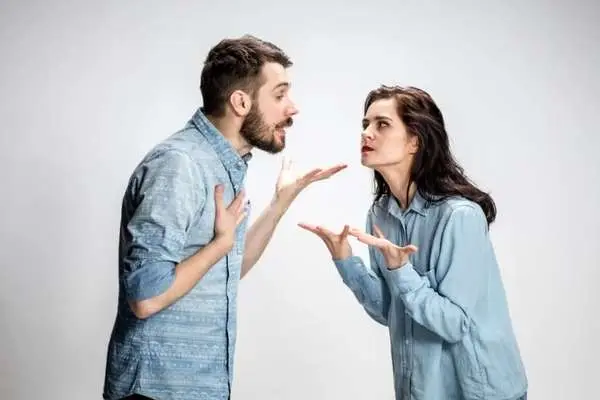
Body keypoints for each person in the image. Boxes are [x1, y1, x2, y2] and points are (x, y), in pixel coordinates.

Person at [103, 35, 346, 400]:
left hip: (199, 388)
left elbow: (227, 266)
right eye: (279, 95)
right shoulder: (179, 165)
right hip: (157, 390)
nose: (292, 108)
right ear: (241, 102)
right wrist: (219, 245)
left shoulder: (222, 165)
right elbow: (146, 297)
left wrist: (279, 203)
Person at [299, 85, 527, 400]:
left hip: (478, 392)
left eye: (382, 124)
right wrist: (346, 261)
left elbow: (454, 324)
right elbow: (391, 311)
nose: (366, 133)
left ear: (414, 141)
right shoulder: (380, 214)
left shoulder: (459, 216)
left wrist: (401, 270)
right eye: (365, 124)